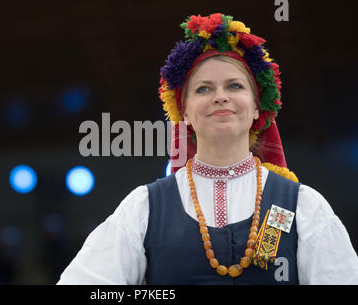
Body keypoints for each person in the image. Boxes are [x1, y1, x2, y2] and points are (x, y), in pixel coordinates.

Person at [57, 13, 358, 284]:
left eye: (235, 86)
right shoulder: (143, 208)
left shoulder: (304, 206)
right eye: (203, 89)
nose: (220, 97)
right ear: (183, 112)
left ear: (257, 108)